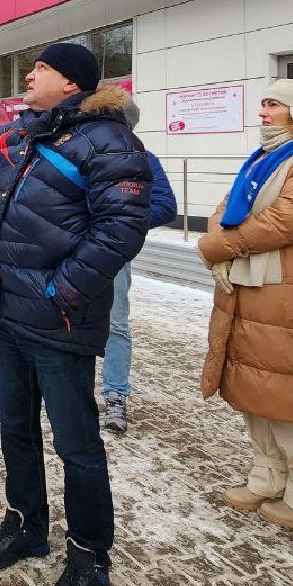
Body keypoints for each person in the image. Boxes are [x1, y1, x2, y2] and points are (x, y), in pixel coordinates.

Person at [0, 43, 151, 586]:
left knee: (76, 445)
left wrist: (63, 290)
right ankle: (27, 524)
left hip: (59, 322)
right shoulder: (24, 133)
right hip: (7, 314)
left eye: (41, 68)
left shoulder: (109, 141)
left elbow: (122, 229)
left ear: (71, 83)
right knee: (15, 426)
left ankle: (89, 555)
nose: (28, 74)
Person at [197, 80, 293, 538]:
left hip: (288, 291)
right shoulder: (265, 159)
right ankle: (269, 478)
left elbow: (288, 220)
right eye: (263, 103)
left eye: (273, 104)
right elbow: (229, 208)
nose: (262, 112)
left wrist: (222, 245)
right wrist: (220, 240)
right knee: (253, 387)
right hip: (250, 284)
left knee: (289, 392)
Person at [99, 97, 177, 434]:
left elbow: (166, 206)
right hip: (71, 253)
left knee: (115, 325)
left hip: (113, 255)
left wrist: (121, 222)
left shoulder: (144, 160)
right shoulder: (84, 154)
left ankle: (115, 394)